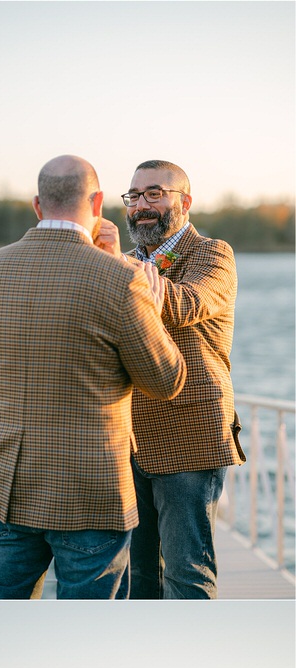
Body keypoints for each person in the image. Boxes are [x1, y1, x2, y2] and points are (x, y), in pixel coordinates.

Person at [0, 153, 186, 601]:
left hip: (6, 482)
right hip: (94, 491)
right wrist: (144, 296)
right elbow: (166, 379)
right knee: (88, 634)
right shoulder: (120, 279)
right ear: (96, 204)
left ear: (38, 205)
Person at [118, 158, 246, 599]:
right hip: (128, 439)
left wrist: (110, 278)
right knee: (137, 579)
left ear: (184, 201)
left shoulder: (213, 254)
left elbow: (186, 304)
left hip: (189, 436)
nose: (141, 206)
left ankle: (193, 663)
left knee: (187, 573)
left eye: (155, 193)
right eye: (134, 197)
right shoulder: (124, 261)